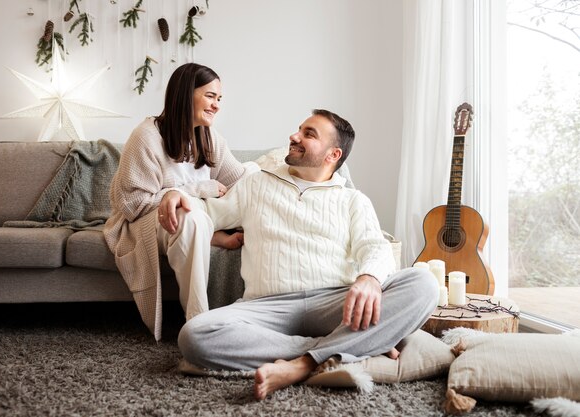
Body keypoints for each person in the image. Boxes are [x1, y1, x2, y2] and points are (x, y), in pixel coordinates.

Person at [161, 109, 438, 400]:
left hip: (334, 303)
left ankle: (302, 364)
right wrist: (179, 195)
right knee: (194, 335)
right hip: (266, 308)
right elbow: (207, 213)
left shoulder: (352, 199)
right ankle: (342, 346)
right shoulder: (256, 184)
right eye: (299, 130)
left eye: (309, 134)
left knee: (424, 284)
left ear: (333, 155)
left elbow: (374, 245)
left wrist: (369, 278)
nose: (294, 137)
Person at [104, 63, 256, 342]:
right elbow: (132, 204)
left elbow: (239, 181)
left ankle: (210, 237)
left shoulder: (210, 138)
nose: (217, 105)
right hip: (147, 222)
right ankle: (198, 325)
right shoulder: (147, 136)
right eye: (210, 96)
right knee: (189, 216)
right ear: (186, 94)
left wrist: (281, 174)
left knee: (255, 179)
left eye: (219, 99)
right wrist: (191, 190)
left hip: (194, 213)